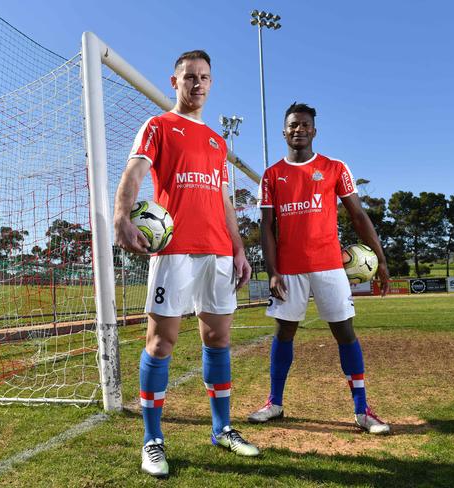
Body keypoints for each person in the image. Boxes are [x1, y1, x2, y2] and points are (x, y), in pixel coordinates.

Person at [114, 50, 260, 478]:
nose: (198, 84)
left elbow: (224, 201)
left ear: (211, 84)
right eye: (190, 77)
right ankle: (152, 441)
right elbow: (134, 175)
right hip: (175, 250)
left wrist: (238, 248)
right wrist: (121, 217)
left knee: (217, 339)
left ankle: (222, 429)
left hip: (218, 252)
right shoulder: (158, 126)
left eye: (205, 78)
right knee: (161, 343)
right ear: (175, 82)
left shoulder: (218, 142)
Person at [247, 102, 391, 435]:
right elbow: (267, 226)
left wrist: (381, 258)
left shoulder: (335, 168)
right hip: (290, 270)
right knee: (284, 332)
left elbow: (358, 216)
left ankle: (362, 410)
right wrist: (272, 271)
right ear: (284, 132)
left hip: (329, 267)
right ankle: (275, 403)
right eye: (292, 125)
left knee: (345, 333)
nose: (298, 129)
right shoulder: (271, 175)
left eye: (304, 125)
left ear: (314, 130)